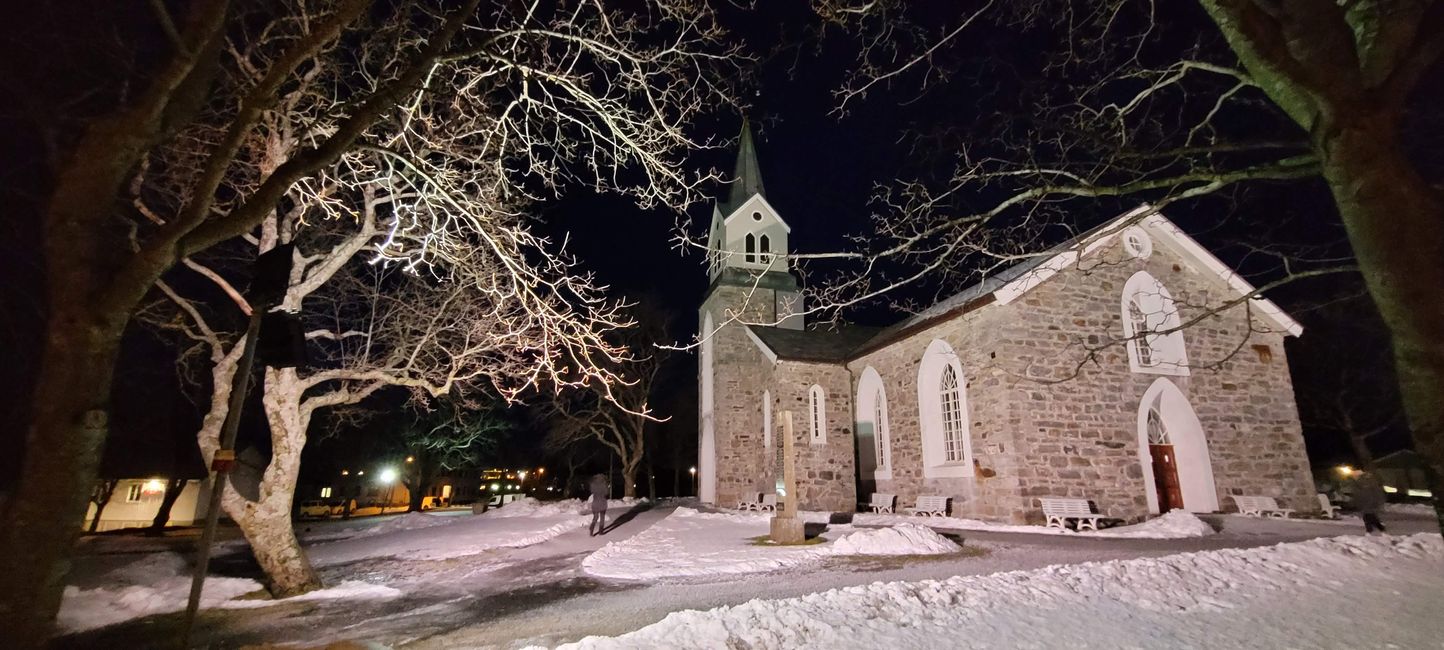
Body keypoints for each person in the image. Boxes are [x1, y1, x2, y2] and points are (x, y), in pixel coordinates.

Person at [1352, 470, 1388, 535]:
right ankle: (1378, 528)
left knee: (1368, 517)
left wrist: (1377, 501)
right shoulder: (1362, 482)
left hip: (1369, 502)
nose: (1353, 477)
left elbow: (1373, 492)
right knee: (1370, 516)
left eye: (1354, 476)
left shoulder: (1364, 482)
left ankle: (1371, 530)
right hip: (1367, 502)